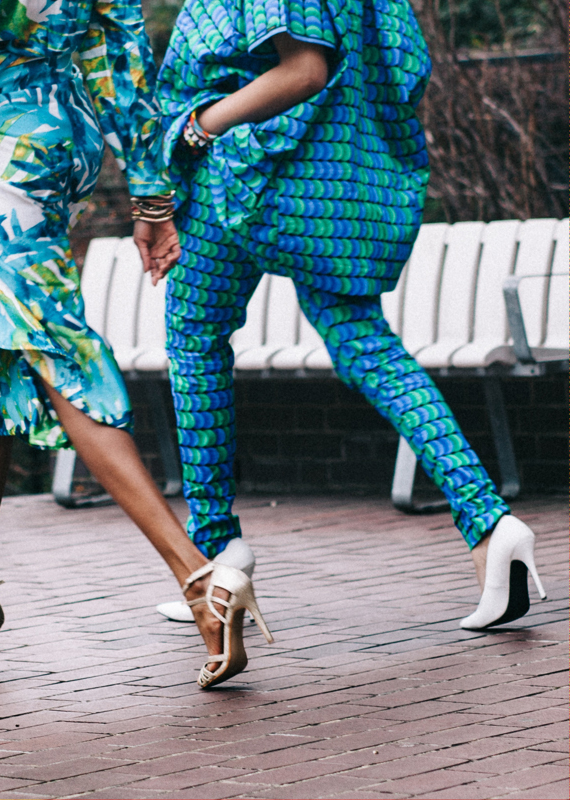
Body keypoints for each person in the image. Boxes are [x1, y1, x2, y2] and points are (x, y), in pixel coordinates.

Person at [0, 0, 273, 689]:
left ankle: (200, 580)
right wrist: (151, 200)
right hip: (58, 153)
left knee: (62, 360)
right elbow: (123, 74)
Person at [154, 0, 546, 631]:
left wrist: (201, 126)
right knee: (368, 346)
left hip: (246, 173)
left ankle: (216, 556)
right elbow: (396, 67)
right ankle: (490, 526)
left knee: (195, 339)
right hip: (326, 182)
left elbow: (304, 68)